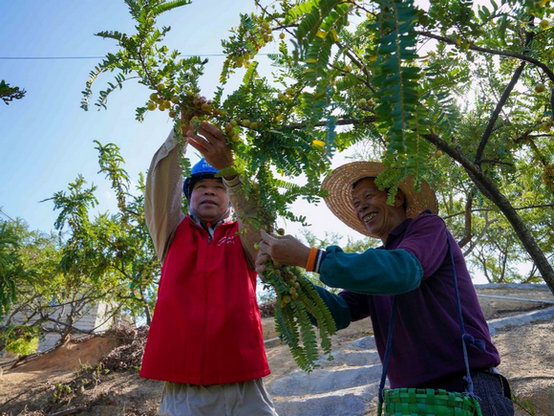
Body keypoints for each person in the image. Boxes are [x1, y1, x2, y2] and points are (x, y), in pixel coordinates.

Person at [255, 161, 514, 416]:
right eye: (356, 203)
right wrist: (286, 281)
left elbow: (404, 271)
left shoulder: (428, 228)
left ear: (397, 197)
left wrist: (311, 258)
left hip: (464, 387)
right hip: (408, 400)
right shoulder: (377, 266)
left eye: (368, 196)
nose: (361, 207)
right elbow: (336, 313)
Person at [140, 120, 278, 416]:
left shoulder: (242, 235)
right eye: (201, 186)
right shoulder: (172, 233)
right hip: (185, 387)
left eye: (219, 187)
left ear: (231, 199)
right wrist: (180, 133)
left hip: (244, 383)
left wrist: (232, 171)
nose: (209, 192)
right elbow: (160, 185)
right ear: (189, 195)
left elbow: (261, 232)